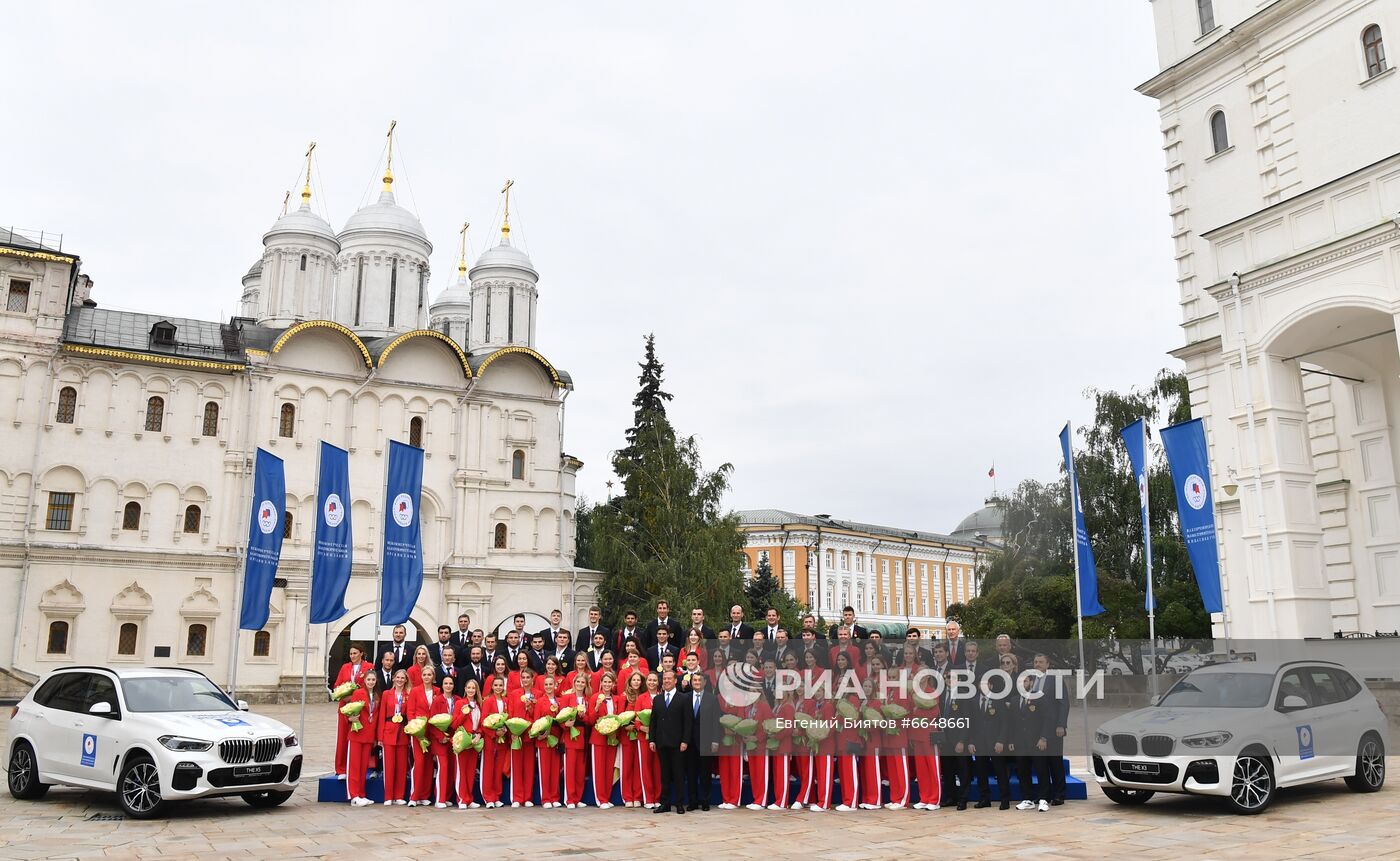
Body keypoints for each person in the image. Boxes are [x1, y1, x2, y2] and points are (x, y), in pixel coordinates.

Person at [649, 669, 693, 815]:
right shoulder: (658, 699)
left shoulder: (684, 698)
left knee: (678, 774)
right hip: (661, 742)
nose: (666, 681)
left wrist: (685, 741)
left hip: (677, 743)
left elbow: (688, 722)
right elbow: (653, 722)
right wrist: (652, 739)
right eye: (665, 679)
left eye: (669, 678)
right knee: (665, 775)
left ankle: (679, 804)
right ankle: (665, 803)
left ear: (675, 681)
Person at [408, 664, 450, 807]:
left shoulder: (438, 691)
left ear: (433, 677)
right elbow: (410, 712)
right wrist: (415, 729)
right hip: (419, 733)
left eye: (429, 675)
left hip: (434, 732)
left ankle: (425, 795)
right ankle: (414, 796)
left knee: (429, 765)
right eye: (424, 675)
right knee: (419, 763)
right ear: (421, 676)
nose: (427, 677)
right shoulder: (415, 691)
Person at [1013, 662, 1053, 812]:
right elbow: (1013, 723)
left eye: (1025, 681)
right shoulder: (1015, 700)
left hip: (1037, 741)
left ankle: (1043, 799)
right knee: (1023, 771)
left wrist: (1043, 738)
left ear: (1030, 682)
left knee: (1041, 770)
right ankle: (1027, 799)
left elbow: (1047, 719)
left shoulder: (1040, 697)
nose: (1023, 684)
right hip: (1021, 742)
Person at [332, 645, 373, 780]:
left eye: (355, 653)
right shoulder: (345, 667)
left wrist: (355, 696)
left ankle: (360, 767)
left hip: (361, 707)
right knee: (343, 738)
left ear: (361, 653)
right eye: (350, 653)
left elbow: (370, 685)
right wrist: (344, 696)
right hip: (345, 707)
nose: (352, 656)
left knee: (359, 737)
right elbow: (337, 685)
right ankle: (341, 768)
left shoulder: (368, 666)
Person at [584, 670, 621, 808]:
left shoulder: (616, 699)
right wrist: (598, 706)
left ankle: (607, 797)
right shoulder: (595, 698)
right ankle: (600, 799)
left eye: (609, 682)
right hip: (598, 738)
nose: (607, 684)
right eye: (604, 682)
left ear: (613, 684)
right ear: (601, 683)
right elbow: (590, 720)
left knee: (609, 769)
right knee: (599, 770)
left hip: (612, 738)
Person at [345, 668, 381, 806]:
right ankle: (353, 795)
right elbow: (349, 712)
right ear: (364, 681)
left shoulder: (377, 696)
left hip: (368, 736)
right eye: (368, 680)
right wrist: (350, 718)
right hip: (357, 733)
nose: (371, 682)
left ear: (375, 681)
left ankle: (361, 794)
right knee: (354, 766)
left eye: (373, 680)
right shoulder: (358, 693)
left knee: (363, 767)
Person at [685, 669, 719, 811]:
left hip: (706, 742)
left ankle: (705, 801)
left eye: (699, 681)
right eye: (695, 680)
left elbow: (715, 722)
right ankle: (693, 801)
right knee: (691, 774)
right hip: (690, 742)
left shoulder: (712, 698)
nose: (697, 683)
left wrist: (715, 740)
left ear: (704, 682)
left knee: (705, 774)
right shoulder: (685, 698)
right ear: (691, 682)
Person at [618, 671, 652, 807]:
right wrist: (625, 726)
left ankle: (637, 796)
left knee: (639, 767)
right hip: (627, 736)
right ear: (630, 682)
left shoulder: (645, 697)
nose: (636, 682)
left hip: (640, 736)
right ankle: (627, 797)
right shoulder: (624, 697)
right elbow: (619, 716)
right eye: (634, 680)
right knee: (627, 767)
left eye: (639, 680)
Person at [378, 669, 411, 806]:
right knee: (389, 766)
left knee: (401, 766)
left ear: (406, 680)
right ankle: (388, 796)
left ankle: (399, 795)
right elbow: (381, 716)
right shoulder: (386, 694)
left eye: (402, 678)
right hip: (389, 731)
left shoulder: (408, 695)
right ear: (393, 679)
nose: (400, 680)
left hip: (402, 732)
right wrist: (380, 736)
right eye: (398, 677)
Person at [940, 667, 972, 811]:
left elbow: (967, 720)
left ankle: (963, 799)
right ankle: (951, 797)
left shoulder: (964, 695)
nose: (949, 681)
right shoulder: (941, 695)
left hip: (959, 739)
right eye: (947, 678)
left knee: (962, 770)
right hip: (945, 739)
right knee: (948, 770)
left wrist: (962, 741)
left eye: (952, 678)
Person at [507, 667, 539, 807]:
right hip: (516, 735)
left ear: (532, 679)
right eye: (523, 677)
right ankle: (517, 797)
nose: (525, 680)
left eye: (528, 677)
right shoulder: (514, 694)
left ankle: (528, 797)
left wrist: (530, 708)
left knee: (529, 767)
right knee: (517, 767)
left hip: (530, 735)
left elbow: (537, 715)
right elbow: (510, 713)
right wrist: (512, 731)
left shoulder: (538, 694)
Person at [558, 673, 591, 808]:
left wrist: (583, 716)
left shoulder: (587, 699)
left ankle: (578, 797)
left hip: (582, 735)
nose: (580, 684)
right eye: (578, 682)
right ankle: (570, 799)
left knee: (580, 769)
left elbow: (590, 720)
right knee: (570, 768)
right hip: (570, 735)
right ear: (574, 683)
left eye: (583, 682)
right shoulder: (567, 698)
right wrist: (566, 725)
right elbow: (560, 716)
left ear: (586, 685)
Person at [451, 678, 482, 809]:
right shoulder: (460, 703)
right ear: (465, 689)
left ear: (476, 690)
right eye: (468, 688)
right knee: (461, 771)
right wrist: (465, 712)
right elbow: (454, 724)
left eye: (473, 688)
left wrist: (479, 735)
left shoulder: (479, 705)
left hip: (474, 740)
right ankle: (462, 799)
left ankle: (469, 798)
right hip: (462, 740)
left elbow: (481, 724)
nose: (471, 690)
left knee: (470, 771)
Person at [480, 675, 511, 808]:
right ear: (492, 687)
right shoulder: (488, 701)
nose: (498, 688)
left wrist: (504, 731)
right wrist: (494, 733)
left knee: (498, 769)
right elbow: (483, 722)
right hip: (490, 740)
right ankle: (488, 797)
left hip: (502, 740)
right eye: (496, 685)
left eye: (500, 685)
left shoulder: (506, 701)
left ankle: (496, 795)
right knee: (488, 768)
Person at [535, 673, 564, 808]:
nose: (548, 687)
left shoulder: (560, 701)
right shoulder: (540, 701)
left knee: (555, 769)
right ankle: (546, 798)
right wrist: (541, 734)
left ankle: (554, 797)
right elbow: (536, 721)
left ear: (555, 685)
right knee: (545, 769)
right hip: (544, 739)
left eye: (550, 684)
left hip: (557, 738)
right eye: (546, 684)